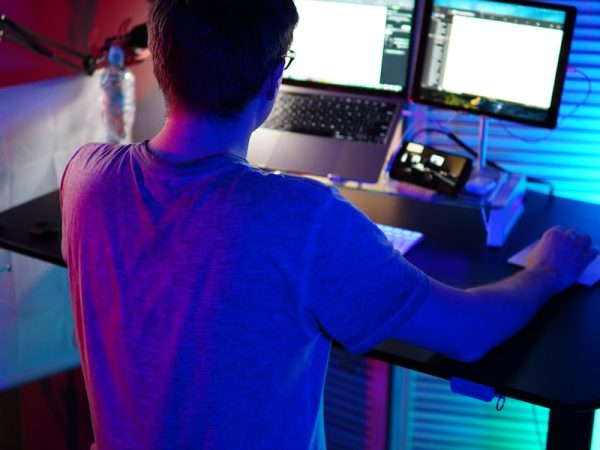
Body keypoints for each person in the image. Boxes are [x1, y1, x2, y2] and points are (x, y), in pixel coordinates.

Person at [60, 1, 597, 449]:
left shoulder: (84, 179)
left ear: (160, 65)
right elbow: (469, 334)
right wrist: (549, 269)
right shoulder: (303, 219)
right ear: (274, 80)